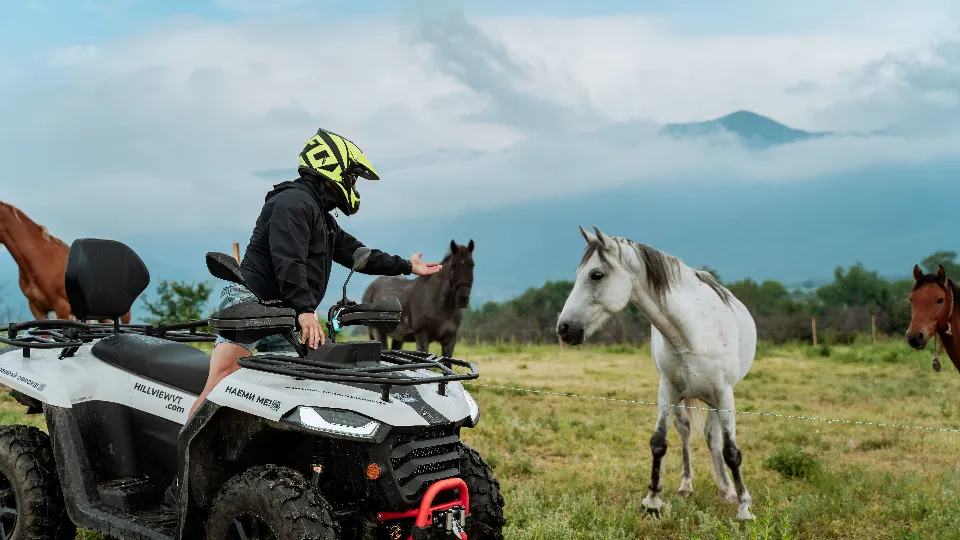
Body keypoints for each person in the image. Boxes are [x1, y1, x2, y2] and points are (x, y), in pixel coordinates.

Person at [187, 128, 442, 420]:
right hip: (252, 302)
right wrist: (306, 311)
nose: (353, 184)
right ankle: (182, 461)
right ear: (330, 167)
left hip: (286, 310)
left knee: (302, 384)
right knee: (224, 377)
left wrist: (407, 266)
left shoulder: (320, 215)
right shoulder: (291, 203)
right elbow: (288, 260)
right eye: (352, 176)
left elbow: (358, 254)